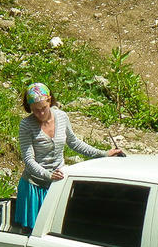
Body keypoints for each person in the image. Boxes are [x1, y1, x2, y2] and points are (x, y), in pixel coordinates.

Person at [15, 82, 122, 230]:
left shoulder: (61, 117)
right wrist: (48, 175)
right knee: (33, 231)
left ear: (50, 101)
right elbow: (28, 159)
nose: (40, 113)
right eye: (35, 110)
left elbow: (74, 143)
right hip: (35, 186)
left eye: (43, 108)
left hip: (57, 183)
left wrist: (102, 154)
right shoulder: (26, 125)